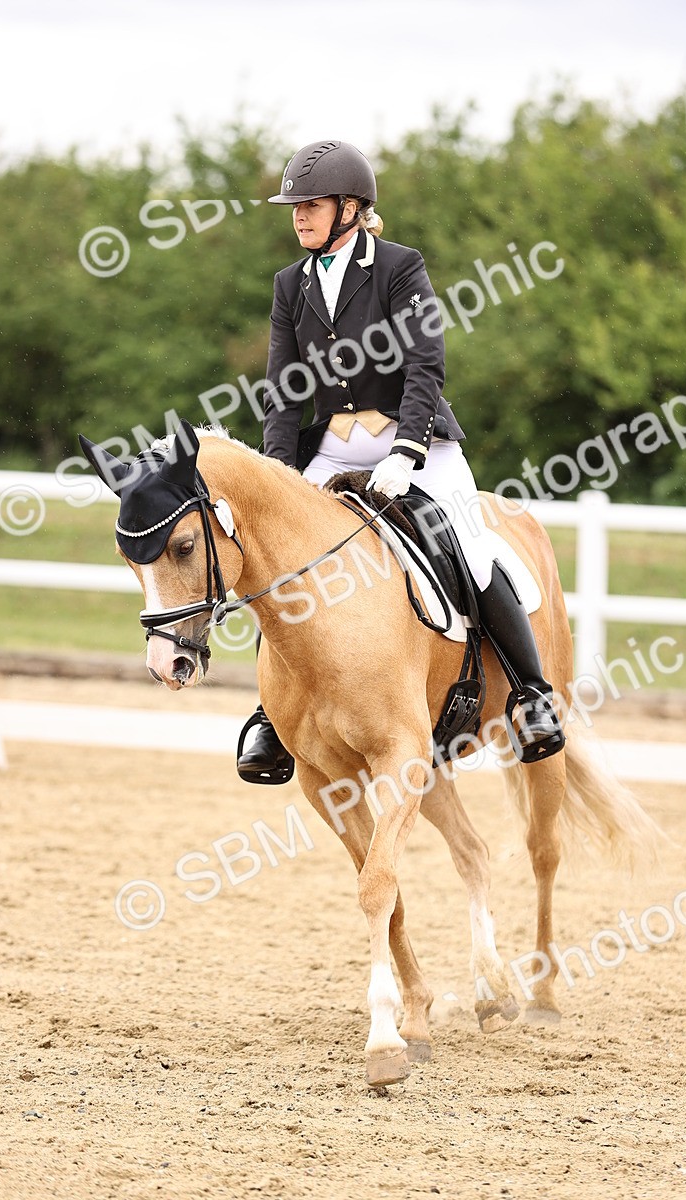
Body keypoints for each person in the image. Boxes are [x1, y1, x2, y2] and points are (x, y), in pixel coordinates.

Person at [236, 139, 564, 782]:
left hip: (416, 443)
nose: (299, 216)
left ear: (351, 207)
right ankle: (273, 717)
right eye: (294, 206)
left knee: (470, 544)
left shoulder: (398, 268)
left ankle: (531, 695)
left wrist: (409, 449)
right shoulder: (289, 287)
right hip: (331, 446)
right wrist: (278, 476)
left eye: (311, 204)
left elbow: (424, 366)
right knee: (279, 559)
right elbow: (283, 390)